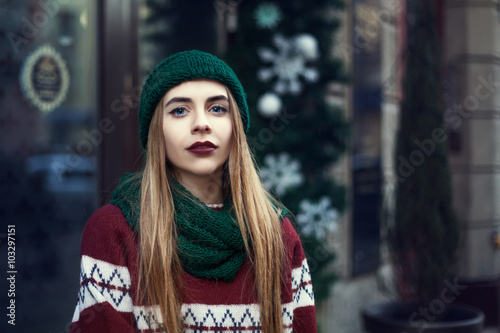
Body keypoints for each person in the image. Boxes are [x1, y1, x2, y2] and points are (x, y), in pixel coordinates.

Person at [69, 50, 317, 333]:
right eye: (179, 110)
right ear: (156, 131)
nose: (201, 123)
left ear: (236, 127)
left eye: (217, 108)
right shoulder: (113, 232)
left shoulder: (277, 234)